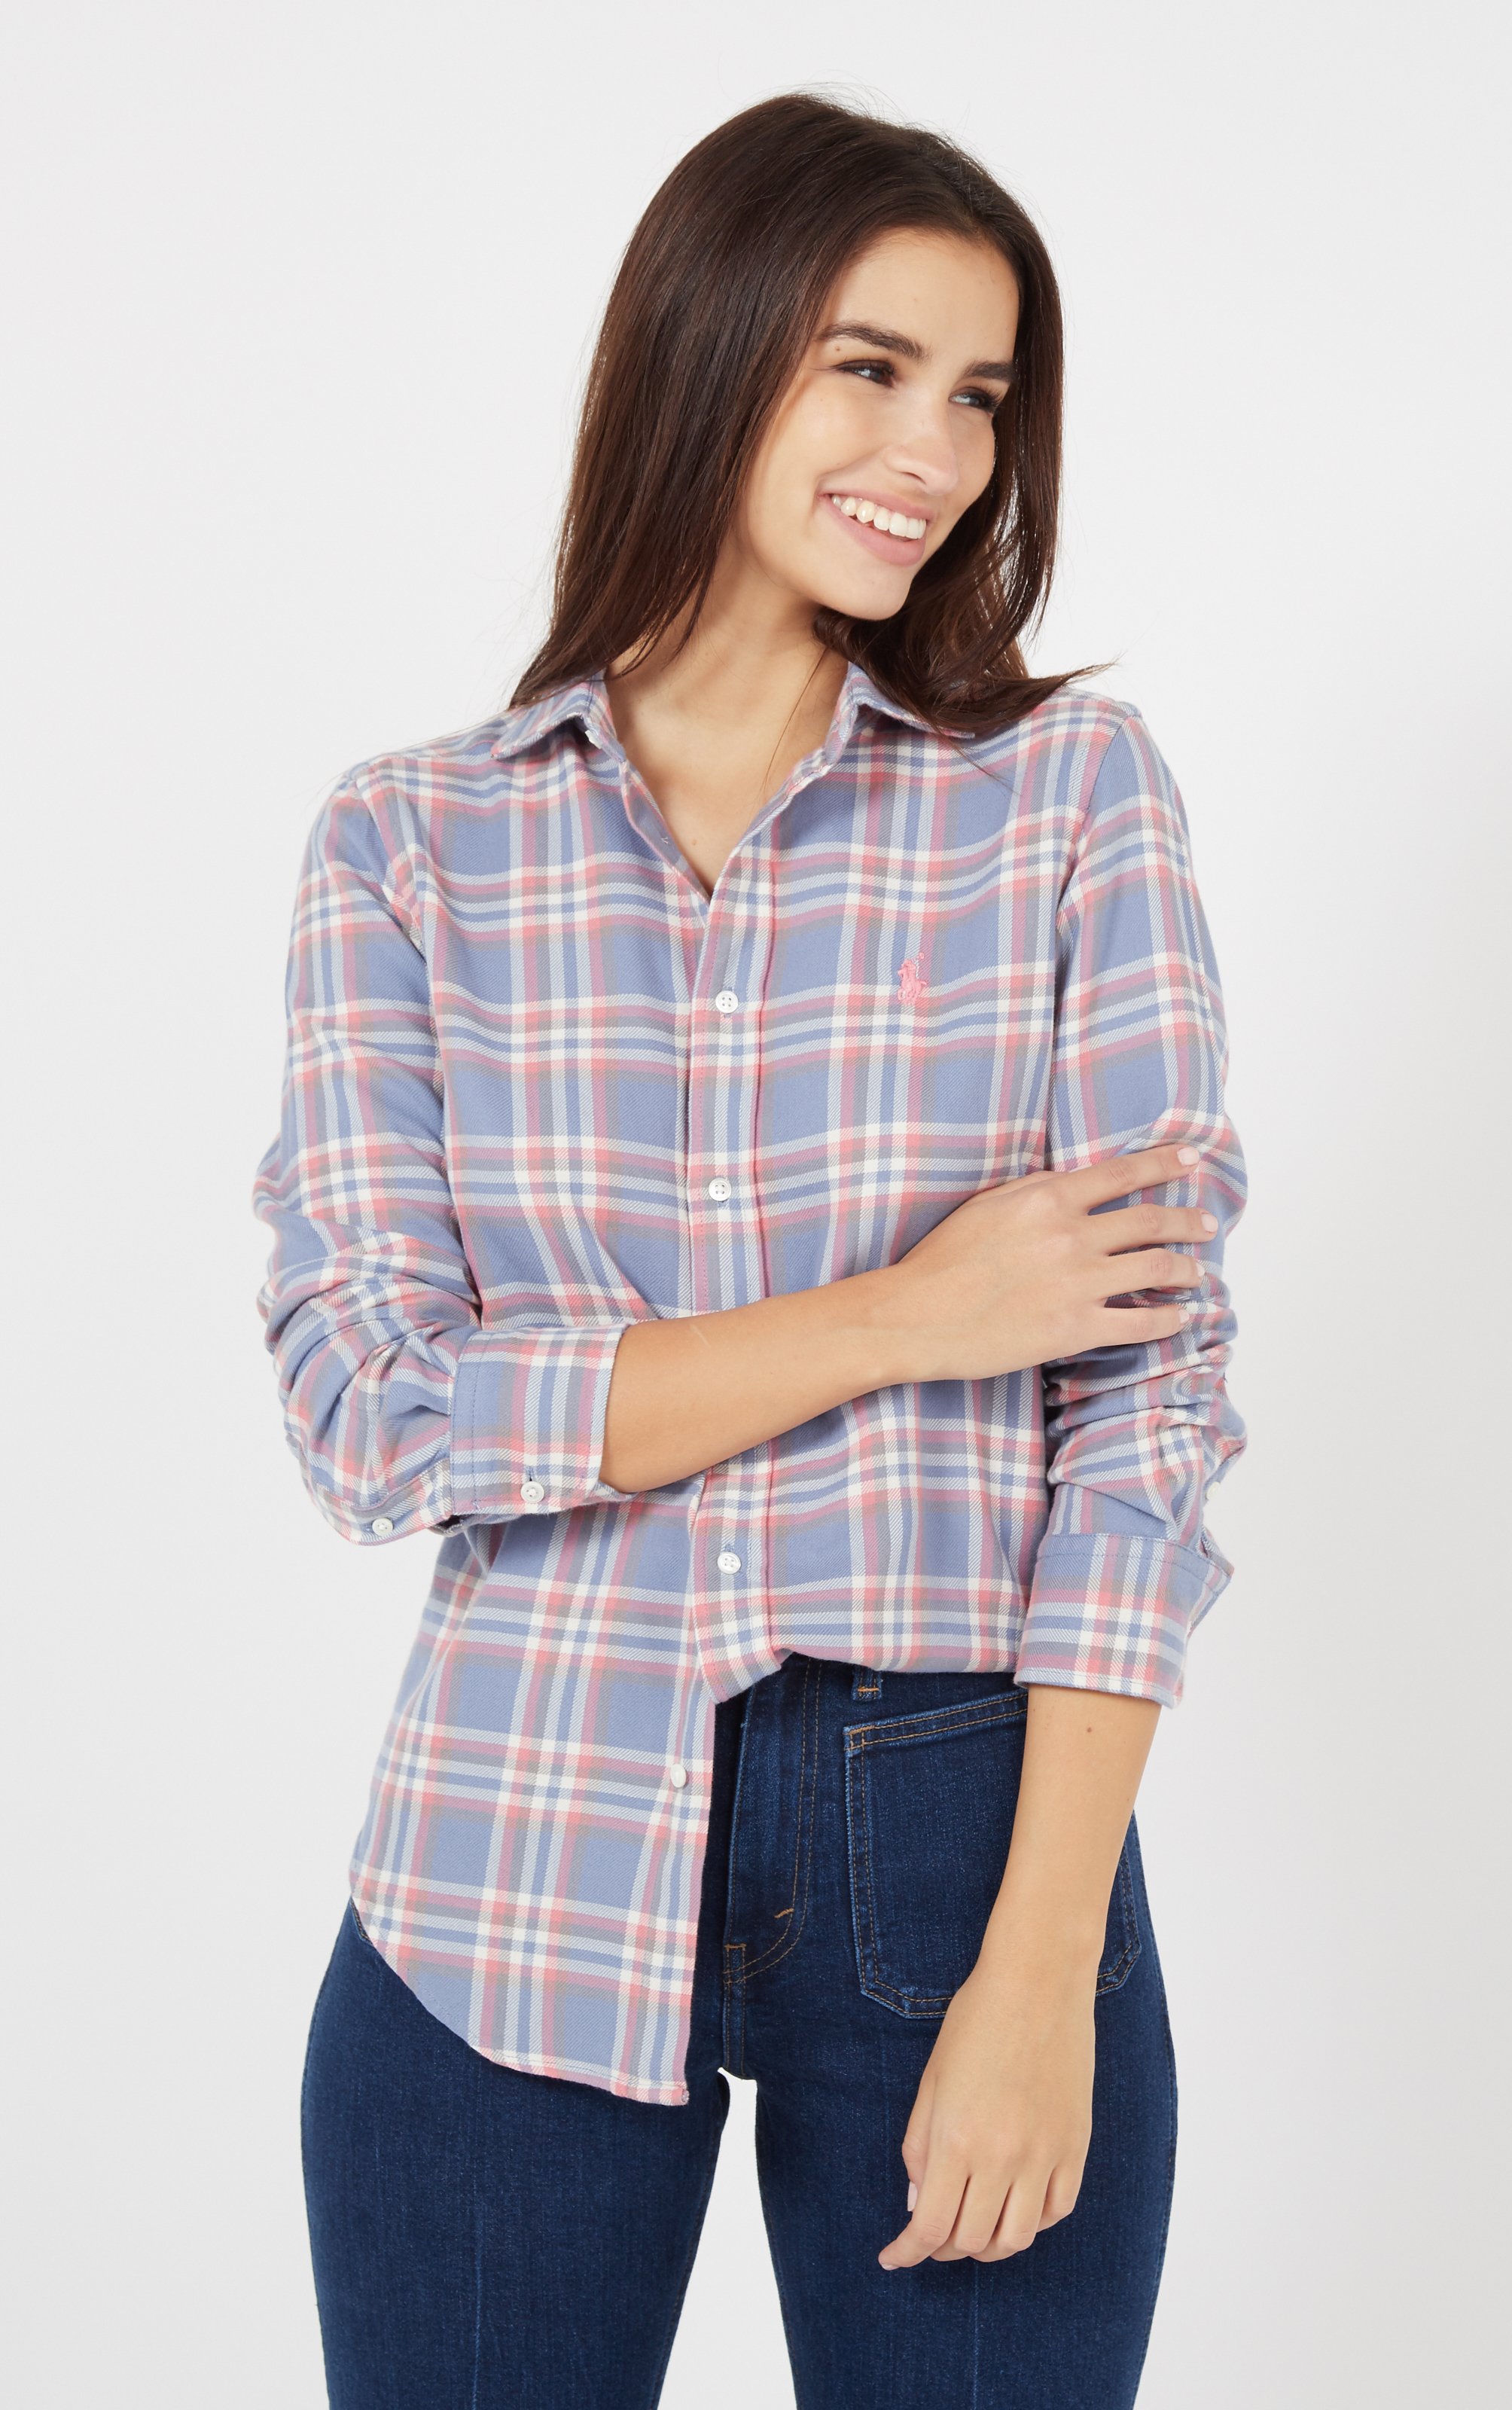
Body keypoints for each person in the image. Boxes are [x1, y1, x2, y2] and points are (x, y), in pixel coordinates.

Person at [251, 87, 1247, 2410]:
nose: (935, 453)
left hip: (964, 1821)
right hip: (511, 1824)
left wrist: (1039, 1970)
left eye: (979, 395)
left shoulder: (1065, 798)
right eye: (868, 368)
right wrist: (912, 1315)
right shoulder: (412, 846)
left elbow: (1145, 1417)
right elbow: (373, 1411)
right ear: (704, 351)